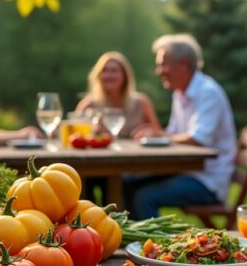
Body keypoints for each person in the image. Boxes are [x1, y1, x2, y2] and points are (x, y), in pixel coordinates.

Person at [128, 34, 237, 219]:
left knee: (143, 197)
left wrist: (160, 136)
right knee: (126, 183)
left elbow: (198, 139)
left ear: (183, 65)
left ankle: (153, 246)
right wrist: (157, 134)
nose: (159, 71)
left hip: (207, 182)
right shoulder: (180, 93)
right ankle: (126, 242)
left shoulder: (208, 92)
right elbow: (174, 134)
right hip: (189, 173)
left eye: (163, 64)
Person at [75, 51, 160, 138]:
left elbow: (159, 133)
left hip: (136, 151)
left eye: (114, 71)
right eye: (104, 71)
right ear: (99, 75)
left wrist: (149, 133)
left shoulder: (141, 103)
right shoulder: (88, 105)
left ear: (125, 76)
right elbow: (76, 135)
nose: (109, 75)